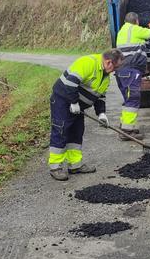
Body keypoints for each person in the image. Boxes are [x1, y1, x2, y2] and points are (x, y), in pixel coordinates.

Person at [48, 49, 123, 181]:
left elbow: (100, 96)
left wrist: (101, 114)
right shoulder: (88, 62)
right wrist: (73, 102)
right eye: (115, 67)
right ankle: (55, 167)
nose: (115, 71)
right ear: (109, 62)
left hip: (77, 106)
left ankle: (75, 165)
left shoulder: (105, 76)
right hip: (63, 100)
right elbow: (70, 82)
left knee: (76, 132)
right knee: (61, 130)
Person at [114, 12, 150, 140]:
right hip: (131, 70)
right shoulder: (135, 29)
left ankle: (126, 126)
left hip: (121, 71)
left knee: (128, 99)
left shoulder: (122, 31)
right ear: (137, 21)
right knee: (133, 98)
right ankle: (127, 131)